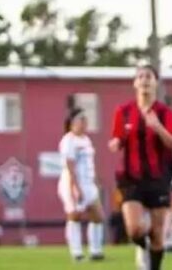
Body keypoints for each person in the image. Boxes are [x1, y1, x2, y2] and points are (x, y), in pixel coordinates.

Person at [109, 64, 172, 270]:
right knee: (134, 230)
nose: (144, 80)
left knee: (158, 237)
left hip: (158, 178)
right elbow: (117, 138)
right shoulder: (123, 111)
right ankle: (142, 244)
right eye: (140, 76)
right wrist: (116, 142)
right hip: (130, 178)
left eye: (148, 76)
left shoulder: (164, 113)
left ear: (155, 83)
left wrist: (158, 128)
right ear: (135, 83)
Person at [59, 108, 105, 261]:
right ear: (73, 122)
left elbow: (90, 163)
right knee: (75, 216)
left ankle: (96, 251)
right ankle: (76, 252)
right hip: (74, 182)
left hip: (88, 182)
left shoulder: (86, 139)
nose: (85, 123)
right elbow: (70, 165)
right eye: (82, 119)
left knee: (98, 215)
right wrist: (75, 188)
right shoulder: (68, 140)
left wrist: (95, 180)